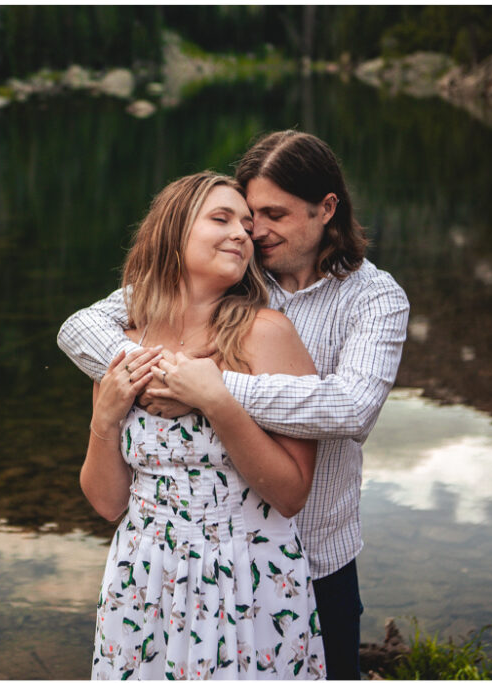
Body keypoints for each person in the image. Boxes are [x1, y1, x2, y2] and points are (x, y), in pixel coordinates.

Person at [59, 131, 410, 680]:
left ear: (326, 209)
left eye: (269, 216)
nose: (254, 232)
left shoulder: (370, 299)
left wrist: (207, 390)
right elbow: (81, 327)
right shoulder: (205, 293)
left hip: (298, 555)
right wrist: (123, 395)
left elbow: (351, 409)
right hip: (150, 575)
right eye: (243, 217)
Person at [81, 171, 326, 679]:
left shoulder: (268, 335)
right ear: (172, 234)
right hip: (142, 576)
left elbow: (292, 493)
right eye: (221, 219)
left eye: (246, 222)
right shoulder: (124, 344)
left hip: (246, 578)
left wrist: (219, 402)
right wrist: (104, 418)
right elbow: (107, 504)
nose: (243, 233)